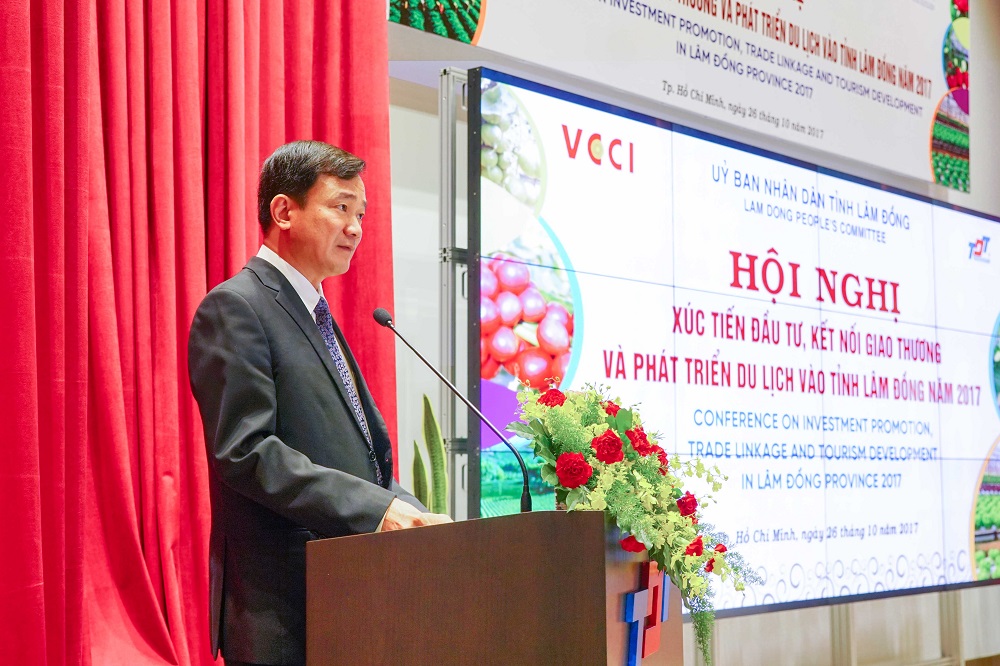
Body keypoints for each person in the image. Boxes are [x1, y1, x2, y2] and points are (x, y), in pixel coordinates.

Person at [188, 140, 450, 666]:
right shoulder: (236, 307)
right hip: (284, 607)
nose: (355, 228)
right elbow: (247, 452)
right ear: (284, 211)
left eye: (361, 214)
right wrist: (378, 511)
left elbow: (359, 460)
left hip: (347, 596)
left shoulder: (315, 313)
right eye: (340, 207)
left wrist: (419, 518)